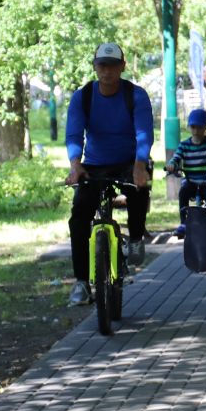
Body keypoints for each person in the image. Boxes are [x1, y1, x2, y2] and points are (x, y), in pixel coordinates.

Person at [64, 42, 154, 306]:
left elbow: (144, 133)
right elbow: (73, 134)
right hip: (95, 164)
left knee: (139, 188)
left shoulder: (135, 95)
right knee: (79, 215)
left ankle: (136, 237)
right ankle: (81, 283)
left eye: (113, 66)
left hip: (129, 160)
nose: (107, 71)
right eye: (102, 65)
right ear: (95, 67)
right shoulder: (83, 97)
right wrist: (75, 164)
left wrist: (139, 166)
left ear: (122, 67)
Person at [167, 107, 206, 237]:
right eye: (193, 127)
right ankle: (184, 222)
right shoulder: (184, 145)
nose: (196, 131)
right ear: (189, 127)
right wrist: (172, 165)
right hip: (191, 181)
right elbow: (176, 157)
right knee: (183, 192)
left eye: (199, 127)